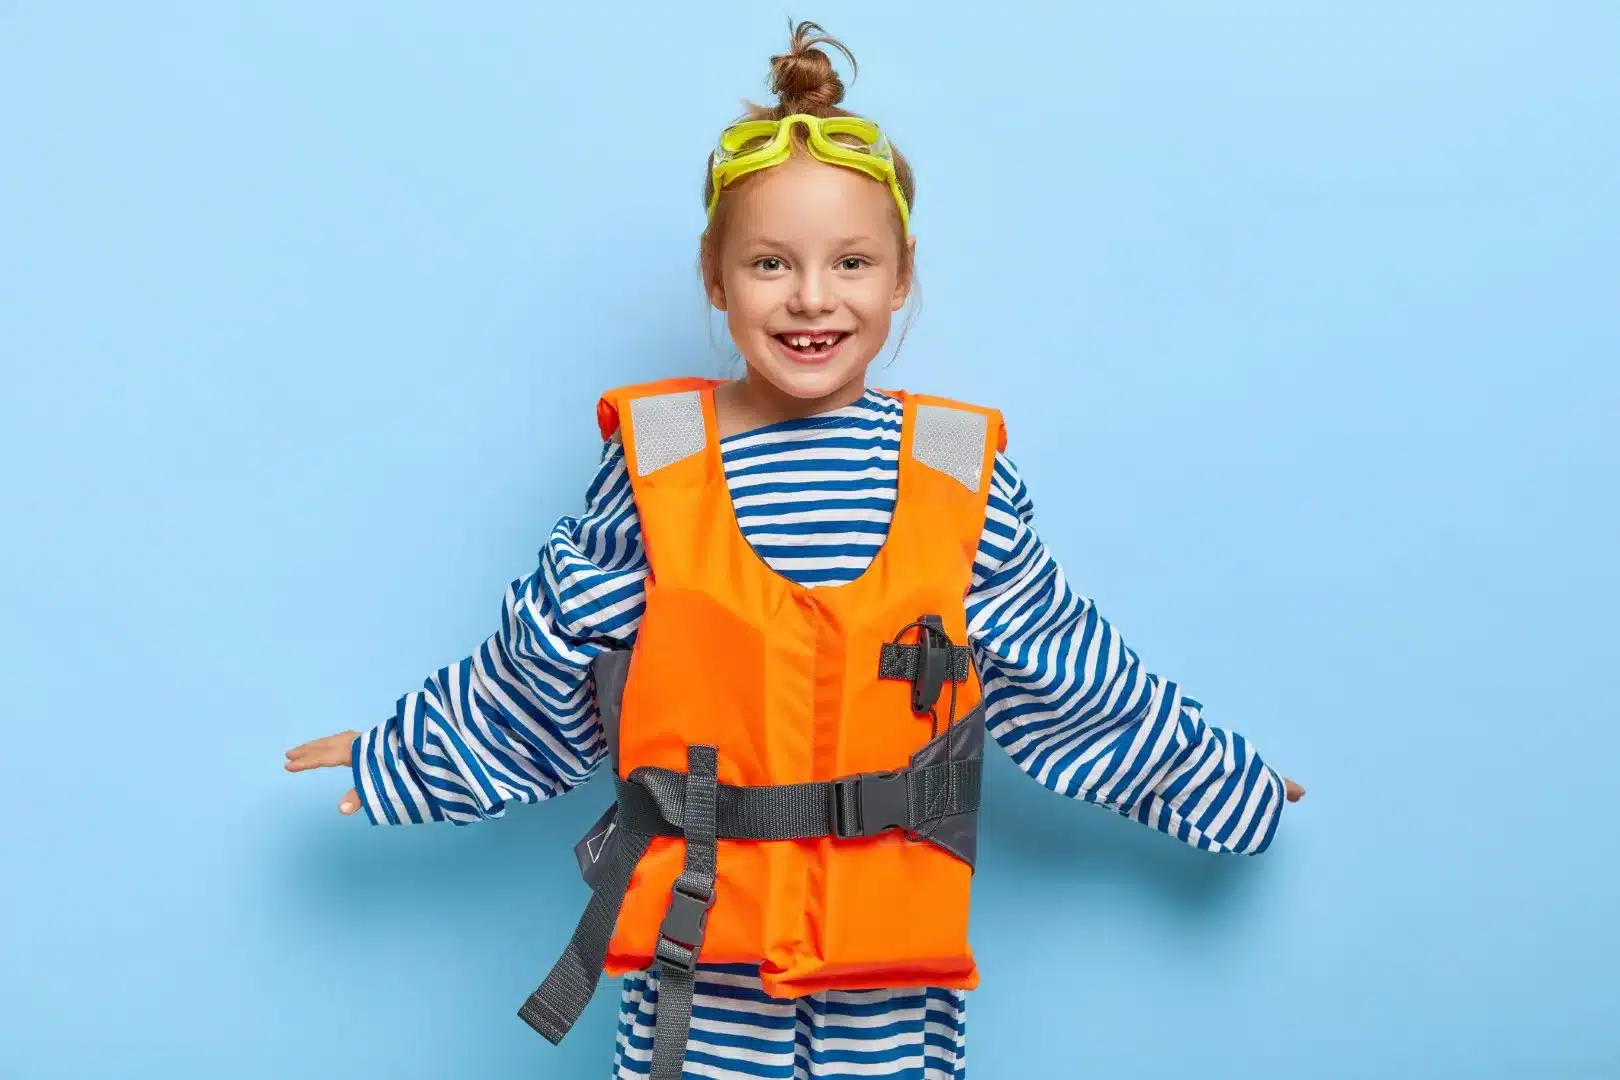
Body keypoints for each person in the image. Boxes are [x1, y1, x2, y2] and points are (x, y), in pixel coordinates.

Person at [285, 20, 1304, 1080]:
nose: (812, 298)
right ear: (715, 279)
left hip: (889, 980)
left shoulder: (956, 468)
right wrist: (403, 755)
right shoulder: (655, 461)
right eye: (771, 263)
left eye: (851, 263)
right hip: (699, 948)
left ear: (901, 278)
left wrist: (1218, 780)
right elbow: (546, 654)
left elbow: (1069, 668)